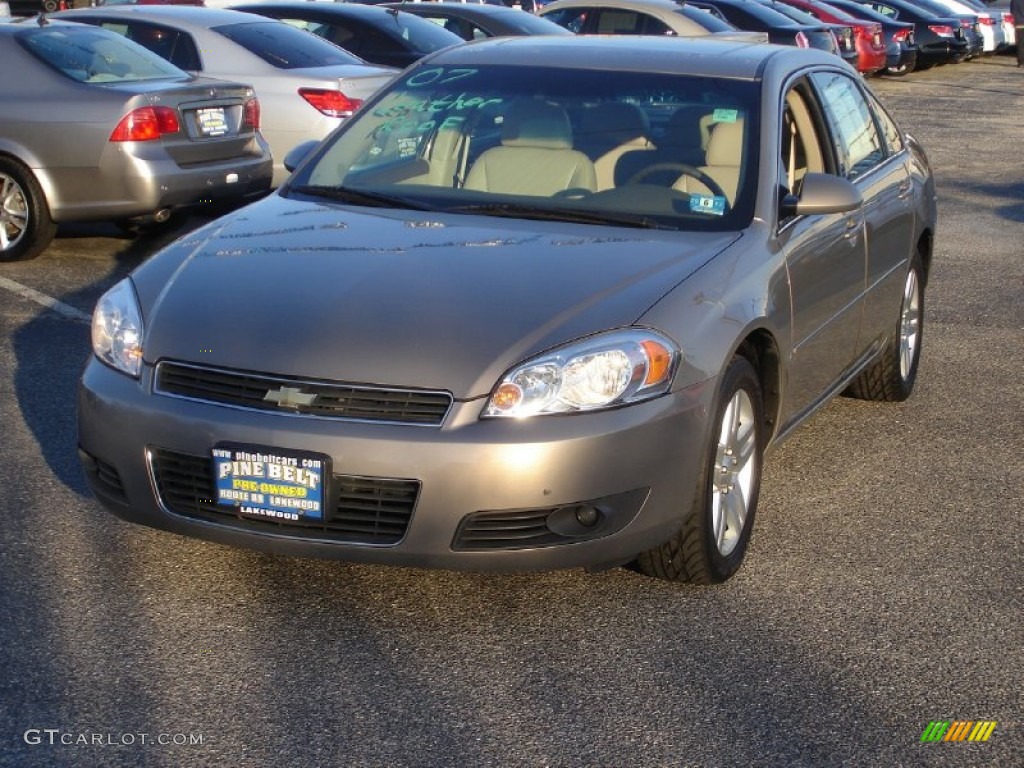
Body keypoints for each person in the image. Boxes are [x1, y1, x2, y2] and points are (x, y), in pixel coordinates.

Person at [1012, 0, 1024, 67]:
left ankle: (1021, 62)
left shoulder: (1014, 1)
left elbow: (1012, 12)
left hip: (1019, 24)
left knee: (1020, 44)